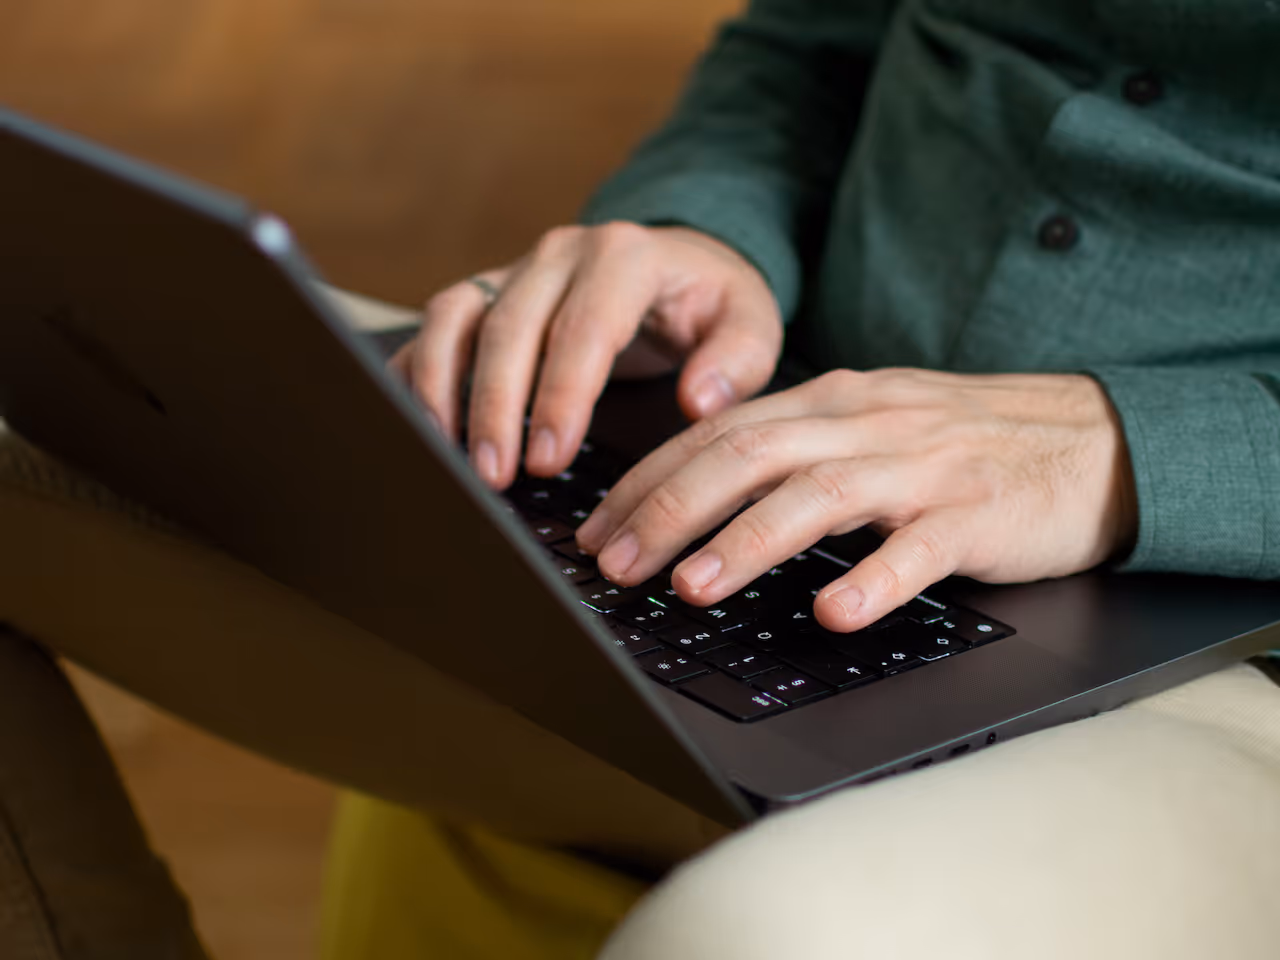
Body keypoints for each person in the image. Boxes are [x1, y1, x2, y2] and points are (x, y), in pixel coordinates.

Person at [3, 3, 1279, 959]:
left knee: (768, 936)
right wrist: (701, 227)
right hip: (746, 457)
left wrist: (1131, 450)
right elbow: (809, 40)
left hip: (1219, 635)